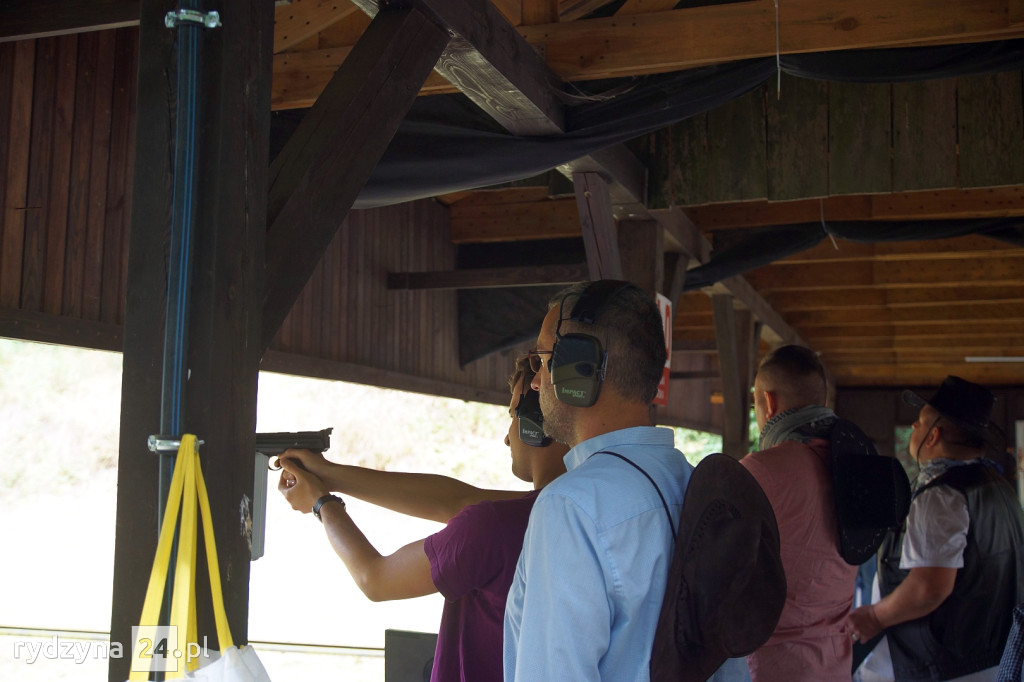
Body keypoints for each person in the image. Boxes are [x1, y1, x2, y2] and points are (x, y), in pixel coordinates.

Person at [277, 356, 568, 682]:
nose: (506, 436)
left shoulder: (496, 525)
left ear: (538, 422)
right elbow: (458, 500)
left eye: (515, 414)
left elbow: (374, 578)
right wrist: (328, 475)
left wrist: (321, 503)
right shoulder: (573, 512)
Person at [503, 279, 694, 682]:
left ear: (580, 368)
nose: (536, 382)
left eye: (541, 359)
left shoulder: (571, 506)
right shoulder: (692, 483)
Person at [848, 375, 1024, 681]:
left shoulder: (942, 496)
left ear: (933, 435)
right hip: (989, 657)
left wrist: (874, 616)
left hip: (943, 666)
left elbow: (929, 587)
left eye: (919, 422)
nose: (915, 427)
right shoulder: (1000, 487)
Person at [740, 344, 859, 681]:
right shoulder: (859, 470)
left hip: (771, 667)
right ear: (823, 403)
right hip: (837, 664)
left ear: (768, 402)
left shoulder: (759, 471)